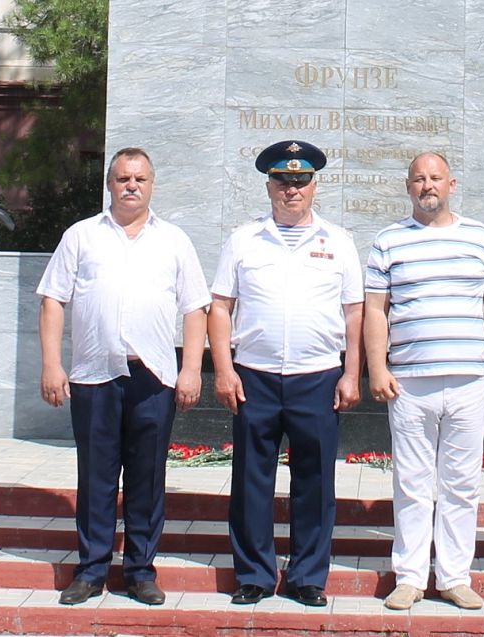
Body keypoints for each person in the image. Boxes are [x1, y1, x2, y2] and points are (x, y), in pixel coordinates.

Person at [37, 147, 210, 606]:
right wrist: (52, 364)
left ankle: (139, 572)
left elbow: (196, 308)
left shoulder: (173, 240)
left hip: (152, 377)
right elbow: (53, 300)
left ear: (152, 185)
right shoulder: (81, 236)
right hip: (95, 375)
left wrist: (192, 369)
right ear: (109, 184)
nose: (131, 185)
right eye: (123, 178)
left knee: (146, 479)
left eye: (140, 179)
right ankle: (92, 571)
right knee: (96, 477)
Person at [208, 140, 364, 607]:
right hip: (254, 375)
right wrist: (223, 370)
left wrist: (351, 372)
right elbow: (220, 307)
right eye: (282, 181)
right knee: (251, 480)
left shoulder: (339, 242)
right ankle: (254, 574)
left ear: (314, 186)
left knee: (315, 482)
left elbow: (354, 312)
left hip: (317, 376)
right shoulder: (244, 240)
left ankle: (308, 576)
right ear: (269, 186)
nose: (291, 189)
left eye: (301, 181)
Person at [364, 152, 484, 611]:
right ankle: (409, 577)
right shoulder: (388, 241)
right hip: (409, 381)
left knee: (461, 482)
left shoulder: (480, 237)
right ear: (408, 186)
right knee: (411, 482)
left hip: (467, 379)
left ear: (452, 184)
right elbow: (375, 309)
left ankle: (454, 577)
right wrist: (377, 367)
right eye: (419, 179)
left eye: (436, 178)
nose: (428, 186)